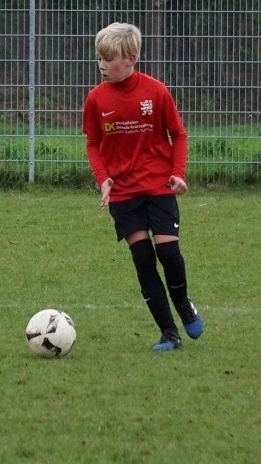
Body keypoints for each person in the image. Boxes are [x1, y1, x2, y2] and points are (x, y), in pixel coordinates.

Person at [82, 22, 204, 351]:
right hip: (123, 193)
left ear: (130, 59)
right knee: (143, 258)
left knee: (168, 253)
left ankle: (183, 304)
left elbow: (178, 134)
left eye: (109, 59)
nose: (102, 65)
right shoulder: (96, 99)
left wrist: (178, 173)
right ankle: (169, 333)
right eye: (99, 58)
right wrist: (103, 179)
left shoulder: (156, 91)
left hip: (159, 187)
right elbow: (93, 143)